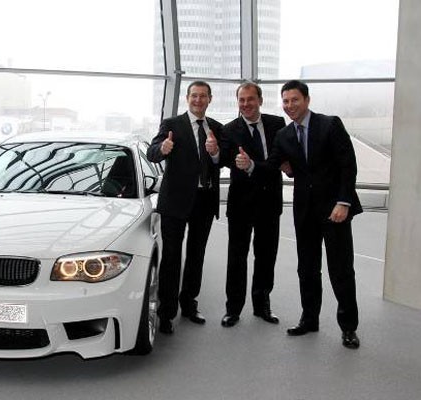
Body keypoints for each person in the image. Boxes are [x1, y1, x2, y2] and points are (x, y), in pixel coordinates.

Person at [235, 80, 362, 349]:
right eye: (285, 101)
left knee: (340, 269)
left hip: (335, 210)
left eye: (294, 100)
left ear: (307, 100)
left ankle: (348, 327)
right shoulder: (284, 135)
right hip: (304, 212)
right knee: (307, 268)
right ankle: (309, 319)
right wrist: (250, 166)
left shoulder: (330, 124)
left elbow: (348, 166)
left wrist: (344, 202)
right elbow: (271, 166)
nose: (289, 105)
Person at [147, 81, 223, 334]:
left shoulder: (216, 128)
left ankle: (189, 304)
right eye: (194, 96)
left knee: (196, 255)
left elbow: (222, 160)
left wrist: (215, 152)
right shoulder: (172, 124)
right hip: (175, 202)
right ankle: (166, 313)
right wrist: (163, 148)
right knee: (171, 257)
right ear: (187, 98)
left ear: (210, 99)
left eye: (203, 96)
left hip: (204, 201)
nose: (198, 100)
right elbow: (152, 152)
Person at [219, 82, 286, 328]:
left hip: (270, 202)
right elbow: (223, 160)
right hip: (241, 204)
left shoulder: (277, 124)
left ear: (260, 100)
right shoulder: (229, 129)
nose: (246, 104)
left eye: (250, 99)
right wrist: (216, 153)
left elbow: (280, 159)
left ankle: (262, 305)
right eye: (242, 100)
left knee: (266, 256)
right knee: (237, 258)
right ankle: (233, 309)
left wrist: (255, 166)